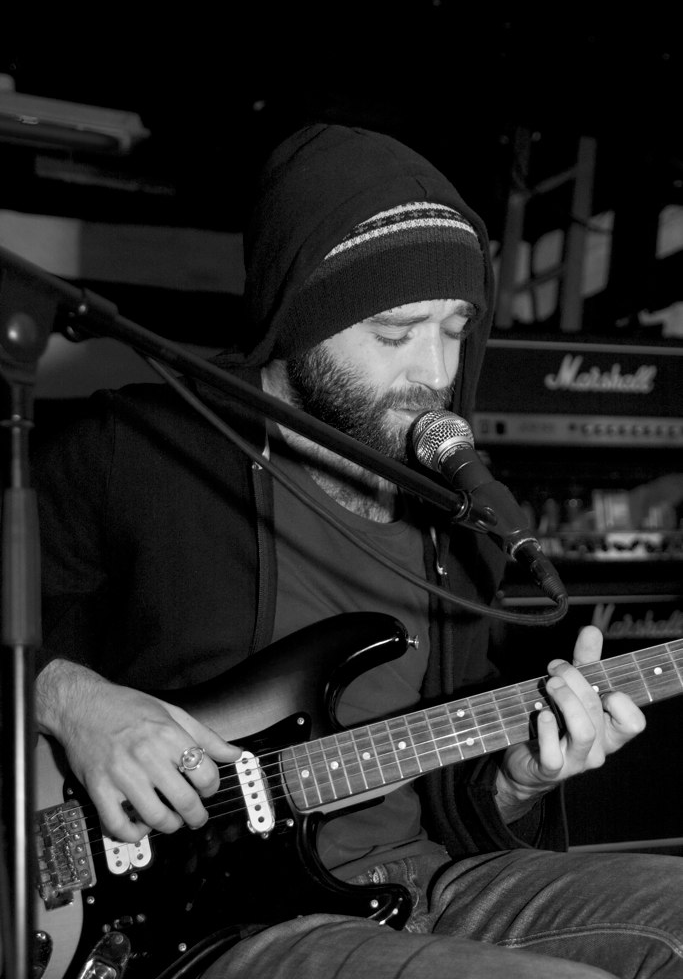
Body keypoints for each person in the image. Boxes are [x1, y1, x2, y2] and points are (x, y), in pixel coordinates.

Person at [30, 123, 683, 979]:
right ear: (300, 314)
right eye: (393, 331)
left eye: (454, 328)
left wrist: (521, 778)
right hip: (214, 923)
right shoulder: (139, 454)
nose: (434, 372)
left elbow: (445, 785)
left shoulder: (457, 518)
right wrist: (72, 699)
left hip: (434, 887)